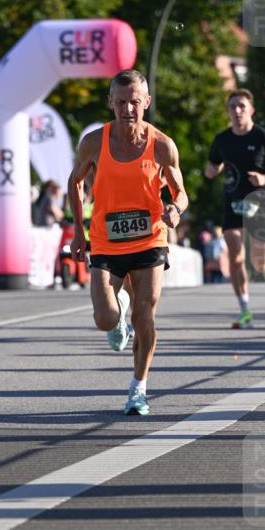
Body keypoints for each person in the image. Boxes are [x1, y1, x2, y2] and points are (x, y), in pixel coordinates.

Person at [68, 69, 188, 416]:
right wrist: (79, 230)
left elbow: (181, 194)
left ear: (146, 102)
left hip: (150, 238)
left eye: (135, 102)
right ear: (111, 103)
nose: (128, 110)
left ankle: (139, 388)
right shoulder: (94, 142)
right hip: (106, 242)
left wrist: (175, 210)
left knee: (145, 314)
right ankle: (116, 312)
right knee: (104, 320)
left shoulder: (162, 145)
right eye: (121, 102)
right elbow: (74, 182)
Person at [205, 89, 265, 328]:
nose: (237, 110)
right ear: (228, 111)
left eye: (242, 106)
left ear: (251, 110)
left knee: (260, 264)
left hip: (261, 201)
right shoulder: (222, 139)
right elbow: (212, 164)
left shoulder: (263, 137)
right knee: (234, 252)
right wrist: (211, 171)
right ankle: (244, 309)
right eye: (233, 106)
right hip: (233, 201)